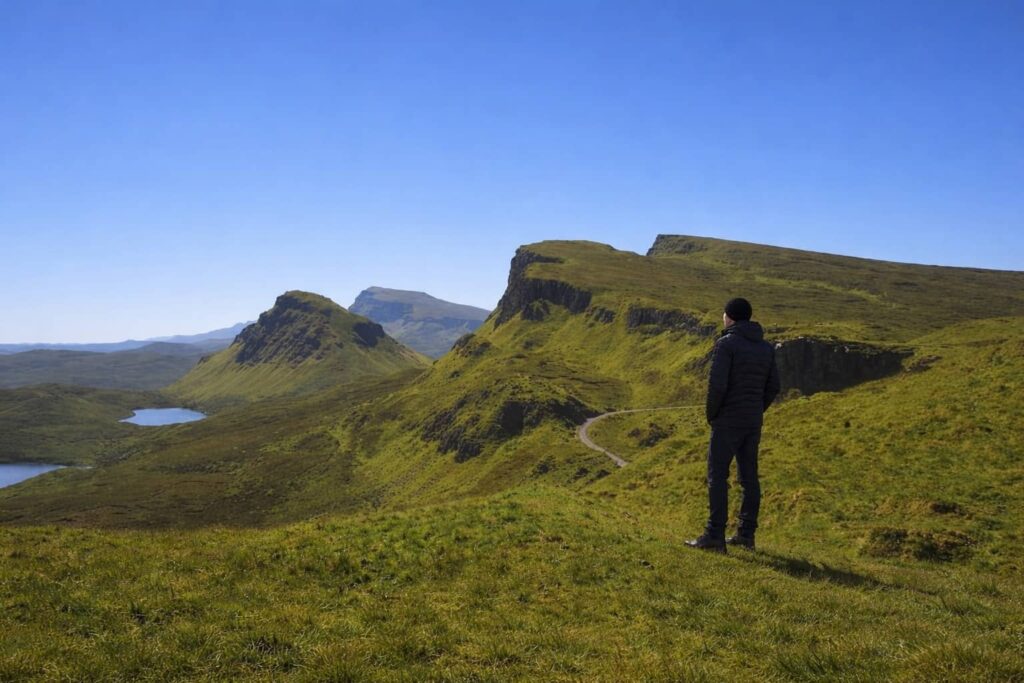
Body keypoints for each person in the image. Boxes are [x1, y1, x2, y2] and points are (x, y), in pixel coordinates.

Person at [685, 297, 780, 553]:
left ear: (730, 317)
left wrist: (713, 415)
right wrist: (755, 410)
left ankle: (714, 534)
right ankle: (746, 535)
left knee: (718, 476)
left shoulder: (727, 344)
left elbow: (717, 386)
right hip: (752, 422)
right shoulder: (766, 348)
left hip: (727, 421)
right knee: (749, 478)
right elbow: (773, 386)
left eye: (724, 314)